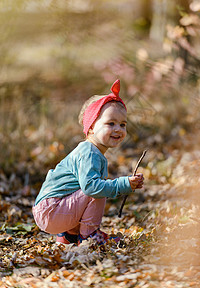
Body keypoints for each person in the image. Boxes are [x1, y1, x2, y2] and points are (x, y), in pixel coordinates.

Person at [32, 79, 144, 246]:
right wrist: (123, 184)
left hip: (52, 210)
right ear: (91, 127)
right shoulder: (88, 152)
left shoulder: (93, 152)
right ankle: (88, 237)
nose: (118, 129)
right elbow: (92, 188)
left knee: (92, 187)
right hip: (51, 211)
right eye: (110, 123)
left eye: (122, 124)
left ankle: (69, 236)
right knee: (96, 189)